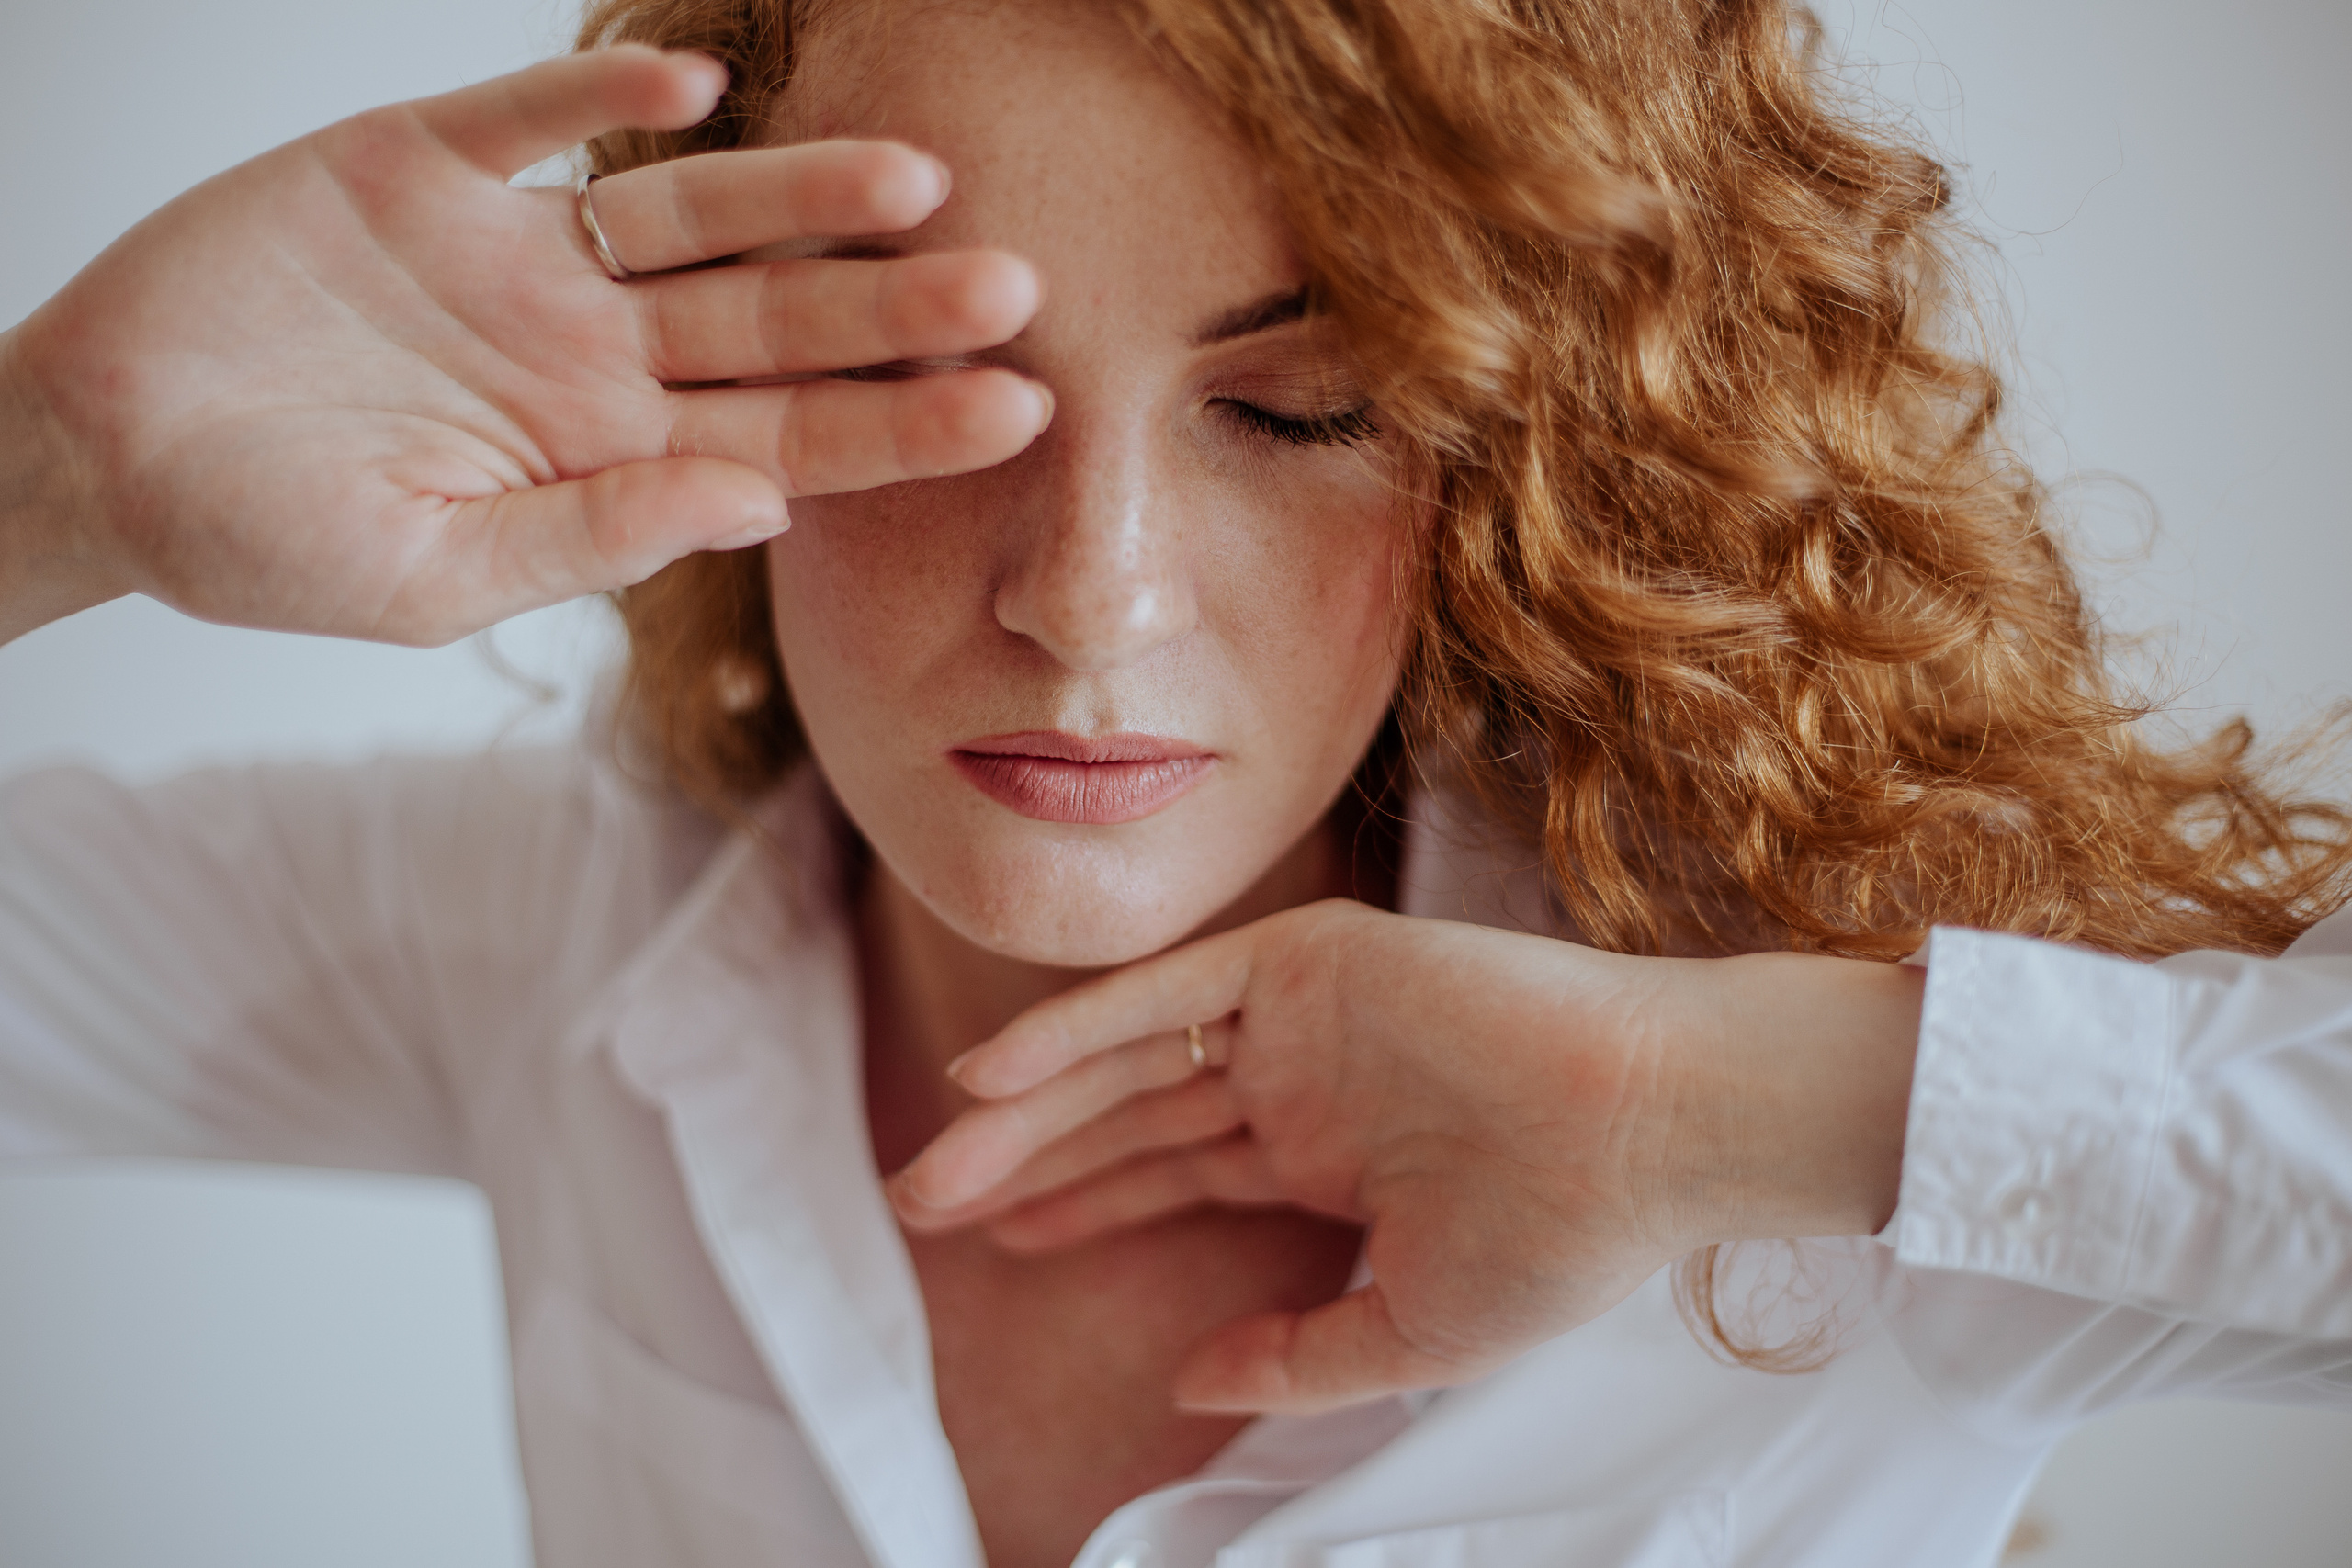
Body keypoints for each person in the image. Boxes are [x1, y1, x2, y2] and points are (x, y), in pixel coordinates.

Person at [1, 1, 2346, 1566]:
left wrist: (1713, 1112)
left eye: (1300, 409)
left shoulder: (1842, 1094)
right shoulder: (538, 933)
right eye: (939, 393)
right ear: (700, 366)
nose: (1092, 600)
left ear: (1517, 443)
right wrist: (56, 470)